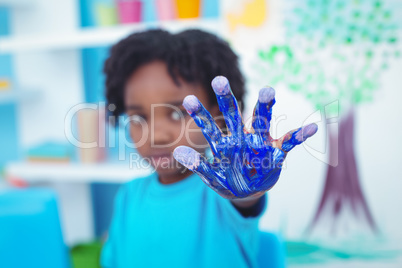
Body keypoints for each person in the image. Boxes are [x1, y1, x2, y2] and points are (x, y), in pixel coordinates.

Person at [101, 29, 317, 268]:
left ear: (219, 117)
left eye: (177, 113)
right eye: (139, 117)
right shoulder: (128, 196)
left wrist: (249, 187)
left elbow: (244, 199)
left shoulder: (224, 191)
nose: (156, 135)